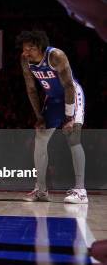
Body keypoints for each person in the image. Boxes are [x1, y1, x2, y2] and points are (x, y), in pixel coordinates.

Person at [17, 30, 87, 204]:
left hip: (70, 96)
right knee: (40, 139)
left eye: (30, 49)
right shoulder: (25, 59)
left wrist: (69, 117)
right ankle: (41, 190)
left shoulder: (56, 56)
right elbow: (31, 89)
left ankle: (80, 191)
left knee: (73, 137)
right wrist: (39, 116)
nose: (26, 53)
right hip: (53, 99)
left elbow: (69, 86)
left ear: (40, 47)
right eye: (24, 49)